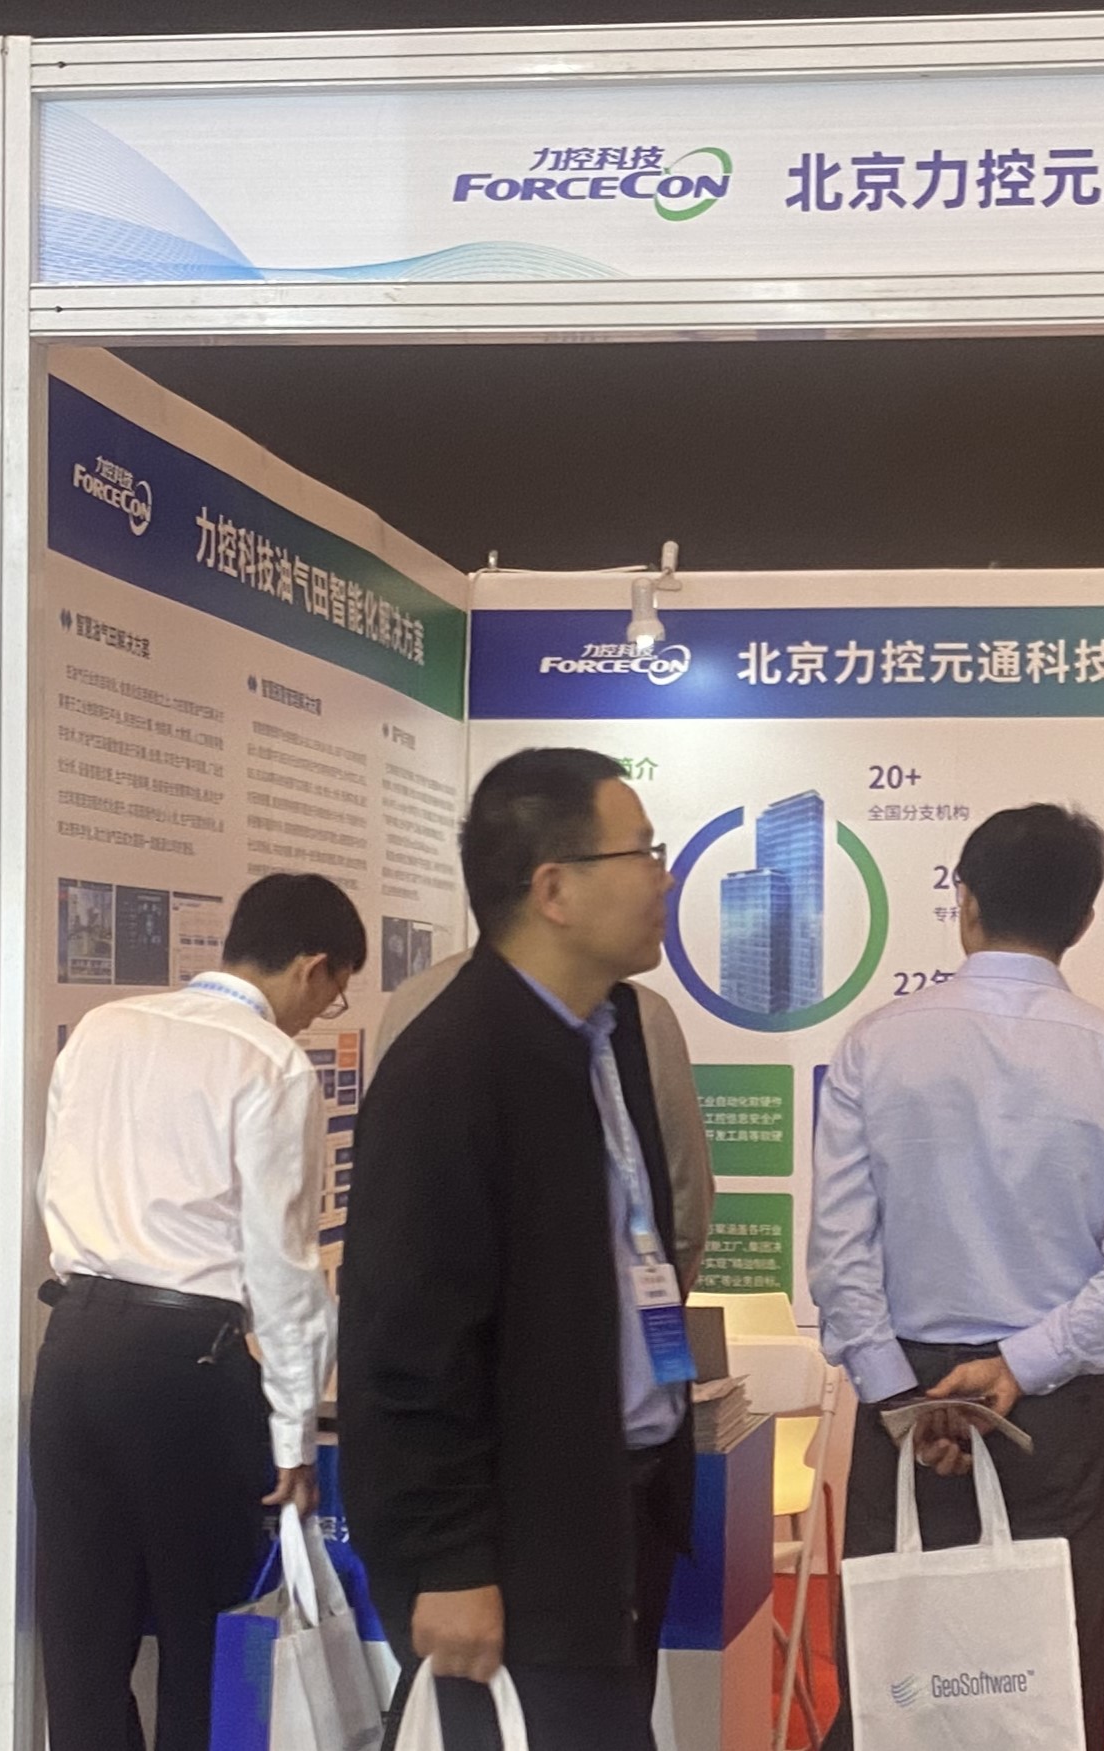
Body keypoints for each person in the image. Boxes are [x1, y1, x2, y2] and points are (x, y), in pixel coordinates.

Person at [808, 803, 1104, 1751]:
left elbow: (840, 1253)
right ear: (1083, 920)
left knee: (898, 1677)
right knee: (1052, 1679)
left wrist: (902, 1399)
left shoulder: (875, 1044)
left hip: (908, 1391)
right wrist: (1022, 1362)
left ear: (965, 902)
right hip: (1062, 1406)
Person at [341, 748, 699, 1751]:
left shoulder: (608, 1037)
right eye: (642, 852)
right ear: (554, 890)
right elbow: (407, 1344)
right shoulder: (453, 1066)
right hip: (511, 1556)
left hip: (610, 1510)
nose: (664, 877)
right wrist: (450, 1559)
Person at [32, 871, 362, 1751]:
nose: (317, 1015)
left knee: (82, 1635)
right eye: (331, 995)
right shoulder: (271, 1062)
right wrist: (294, 1436)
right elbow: (283, 1266)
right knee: (205, 1629)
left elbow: (52, 1184)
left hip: (72, 1343)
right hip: (189, 1361)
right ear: (314, 966)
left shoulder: (103, 1028)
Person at [369, 944, 711, 1293]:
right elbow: (685, 1195)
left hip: (440, 1294)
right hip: (594, 1296)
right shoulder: (638, 1013)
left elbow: (383, 1182)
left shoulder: (413, 998)